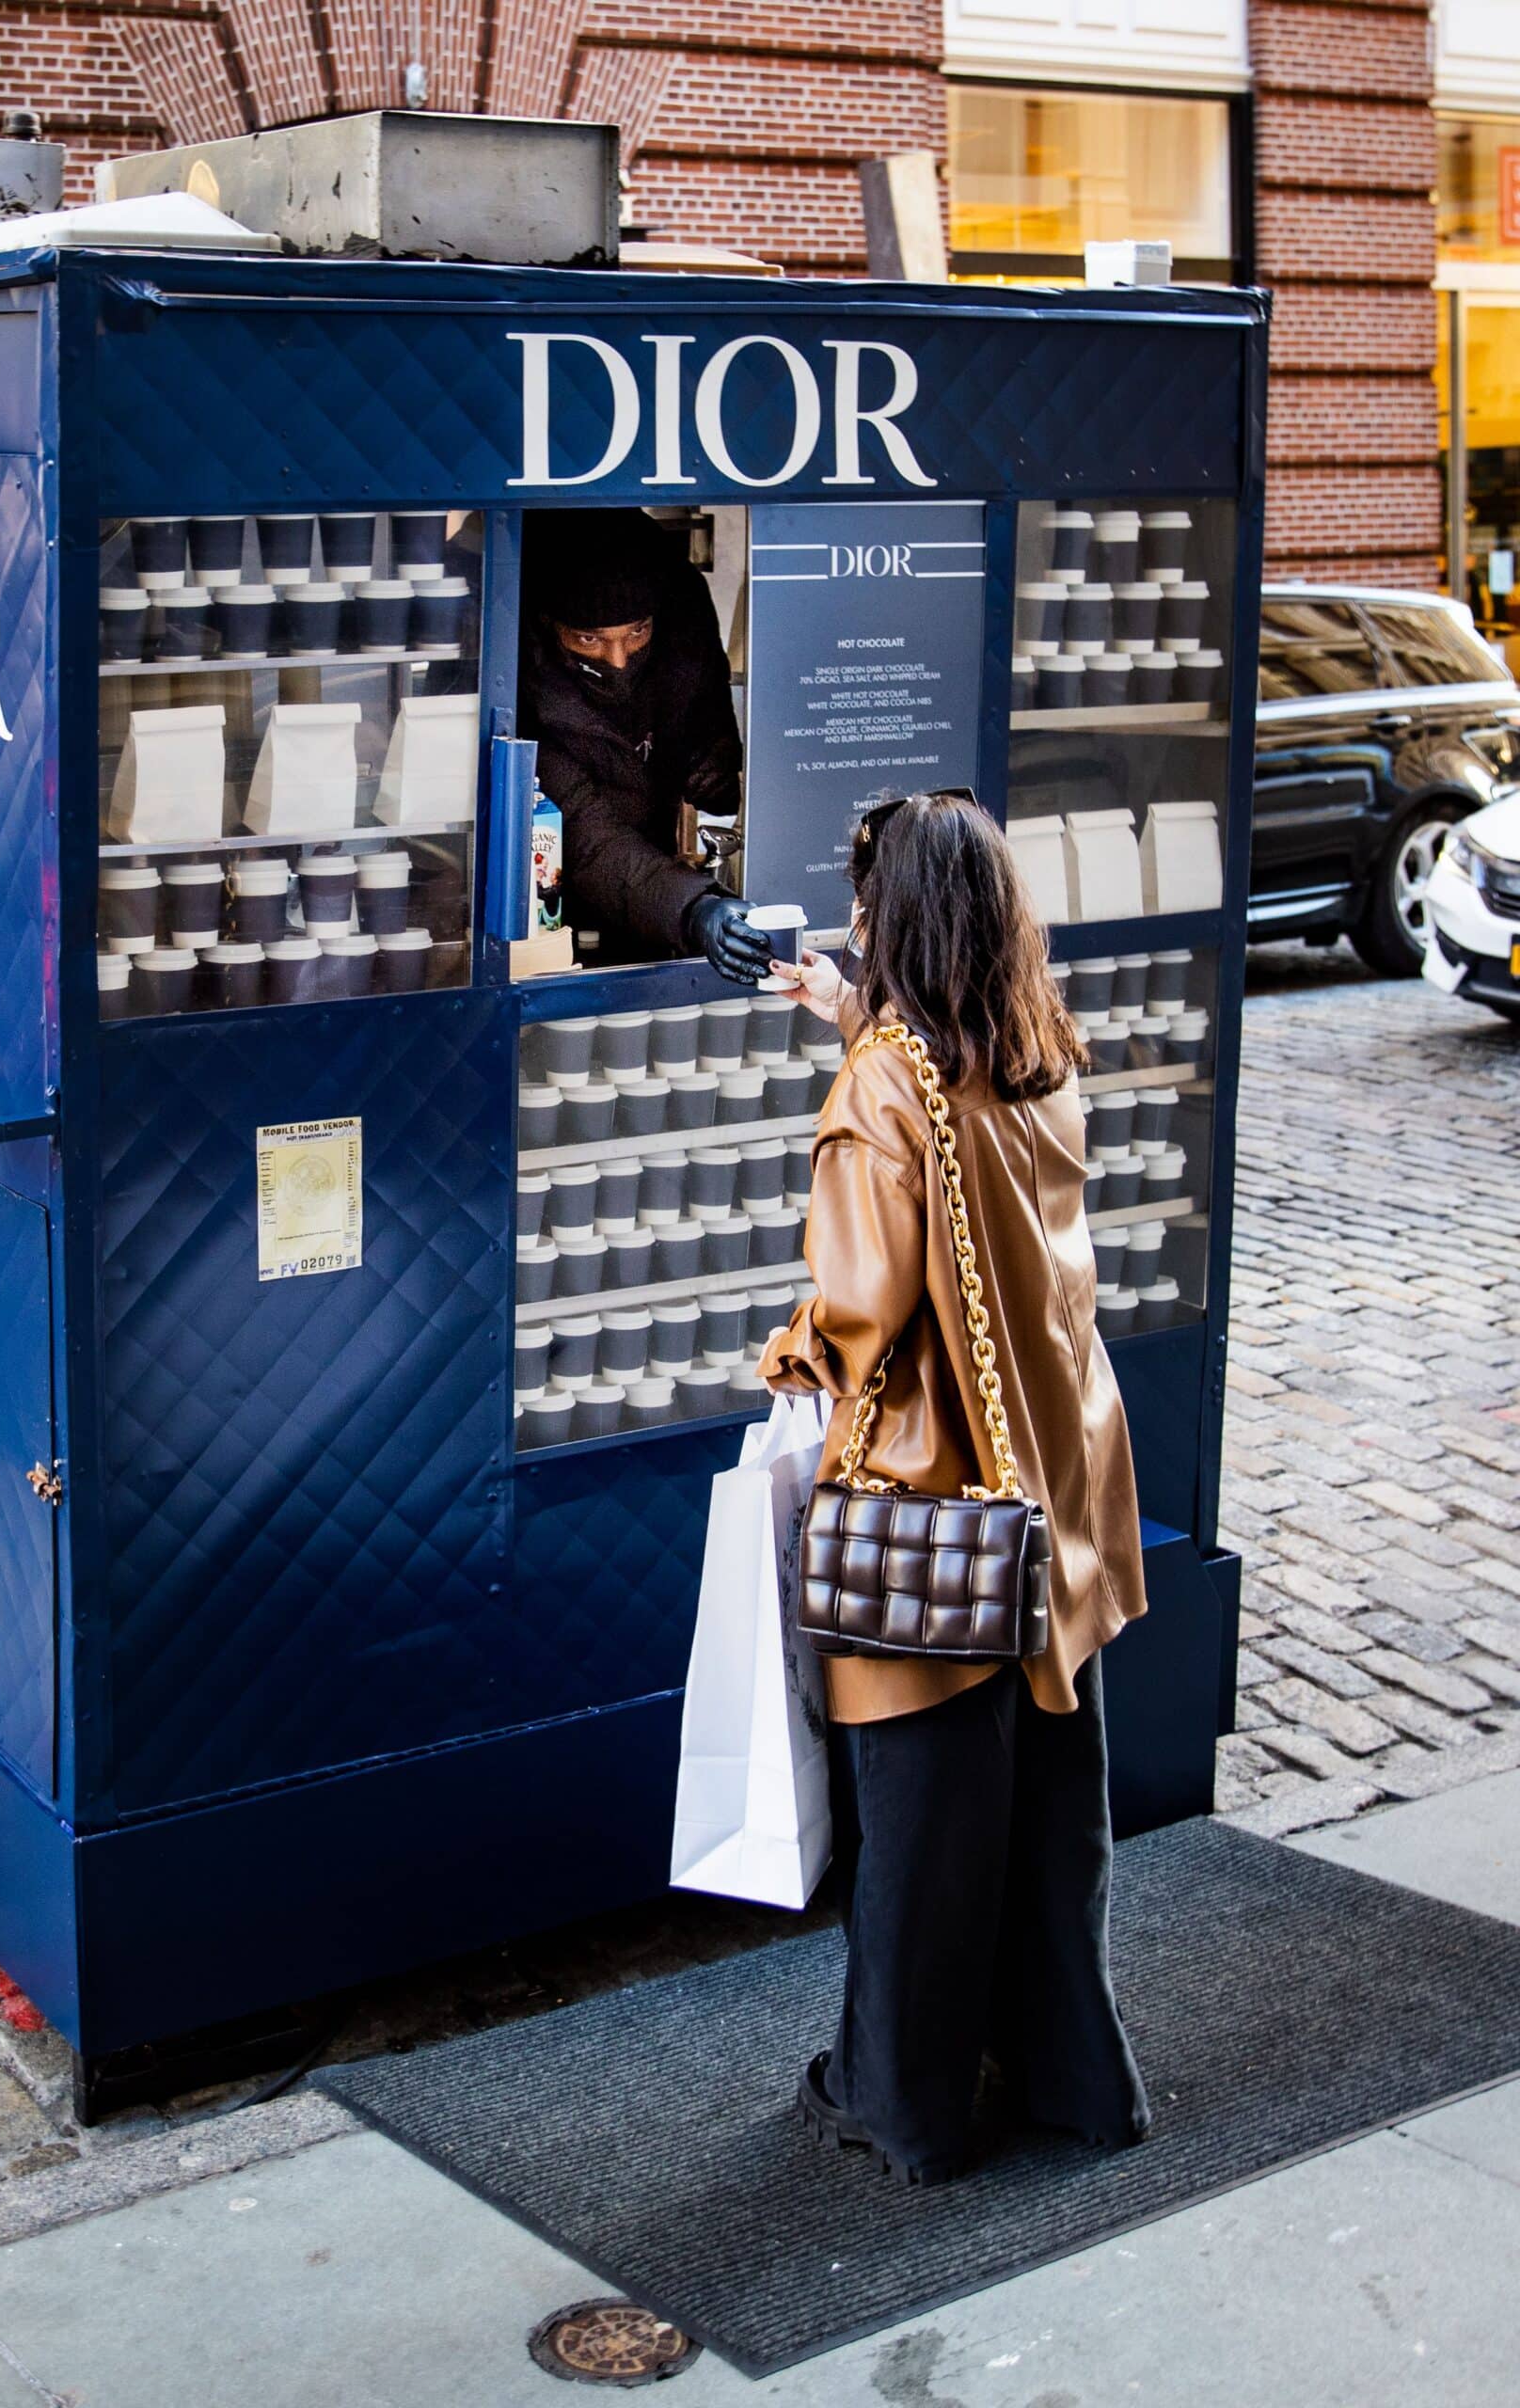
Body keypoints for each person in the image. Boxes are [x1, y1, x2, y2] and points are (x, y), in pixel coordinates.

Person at [757, 788, 1152, 2182]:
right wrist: (855, 1010)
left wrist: (794, 1340)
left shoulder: (881, 1088)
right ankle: (1070, 2076)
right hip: (1058, 1486)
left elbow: (864, 1299)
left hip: (934, 1503)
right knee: (1050, 1808)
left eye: (868, 904)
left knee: (919, 1832)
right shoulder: (1039, 1051)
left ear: (894, 920)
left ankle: (902, 2101)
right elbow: (970, 1153)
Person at [516, 509, 772, 982]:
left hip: (658, 891)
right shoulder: (521, 684)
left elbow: (710, 716)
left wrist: (714, 766)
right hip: (551, 908)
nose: (617, 660)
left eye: (636, 632)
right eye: (589, 639)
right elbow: (582, 832)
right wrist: (692, 907)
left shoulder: (683, 625)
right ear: (549, 627)